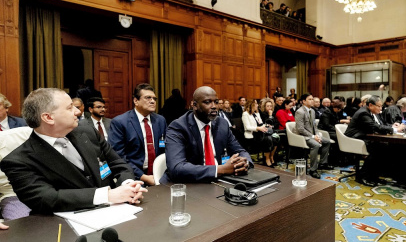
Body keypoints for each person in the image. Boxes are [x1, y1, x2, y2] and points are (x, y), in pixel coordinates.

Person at [0, 88, 146, 214]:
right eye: (70, 108)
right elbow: (46, 198)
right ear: (48, 117)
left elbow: (117, 163)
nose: (77, 111)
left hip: (119, 211)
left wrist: (128, 185)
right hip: (63, 226)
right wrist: (108, 195)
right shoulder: (18, 161)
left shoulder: (87, 131)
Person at [162, 86, 252, 183]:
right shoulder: (178, 127)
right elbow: (177, 168)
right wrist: (221, 169)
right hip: (187, 184)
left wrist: (244, 162)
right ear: (195, 105)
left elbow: (240, 151)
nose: (214, 106)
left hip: (219, 181)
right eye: (207, 102)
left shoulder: (222, 124)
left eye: (216, 102)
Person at [109, 83, 168, 186]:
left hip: (159, 174)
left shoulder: (160, 120)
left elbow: (164, 147)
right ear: (136, 101)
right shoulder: (120, 122)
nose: (153, 101)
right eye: (148, 98)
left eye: (154, 98)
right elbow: (118, 157)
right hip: (133, 176)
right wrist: (143, 177)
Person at [344, 96, 405, 186]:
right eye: (379, 106)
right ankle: (363, 176)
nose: (381, 108)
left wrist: (392, 126)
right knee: (379, 148)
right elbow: (374, 127)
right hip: (354, 139)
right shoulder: (363, 113)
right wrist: (395, 130)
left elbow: (380, 125)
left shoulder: (371, 112)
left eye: (381, 106)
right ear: (371, 105)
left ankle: (374, 176)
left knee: (386, 147)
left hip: (364, 137)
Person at [295, 93, 331, 179]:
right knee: (316, 145)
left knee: (327, 141)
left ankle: (323, 163)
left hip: (312, 134)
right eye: (310, 99)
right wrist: (313, 136)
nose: (312, 101)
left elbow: (314, 126)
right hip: (303, 136)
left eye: (312, 99)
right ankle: (313, 169)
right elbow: (300, 129)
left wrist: (317, 135)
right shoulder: (299, 112)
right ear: (304, 101)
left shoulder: (313, 111)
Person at [242, 100, 275, 167]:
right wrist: (258, 128)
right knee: (267, 139)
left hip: (259, 134)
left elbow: (261, 124)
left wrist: (266, 126)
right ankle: (267, 159)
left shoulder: (256, 113)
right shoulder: (245, 114)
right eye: (256, 104)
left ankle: (271, 157)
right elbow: (247, 127)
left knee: (274, 138)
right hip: (252, 135)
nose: (257, 105)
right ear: (251, 105)